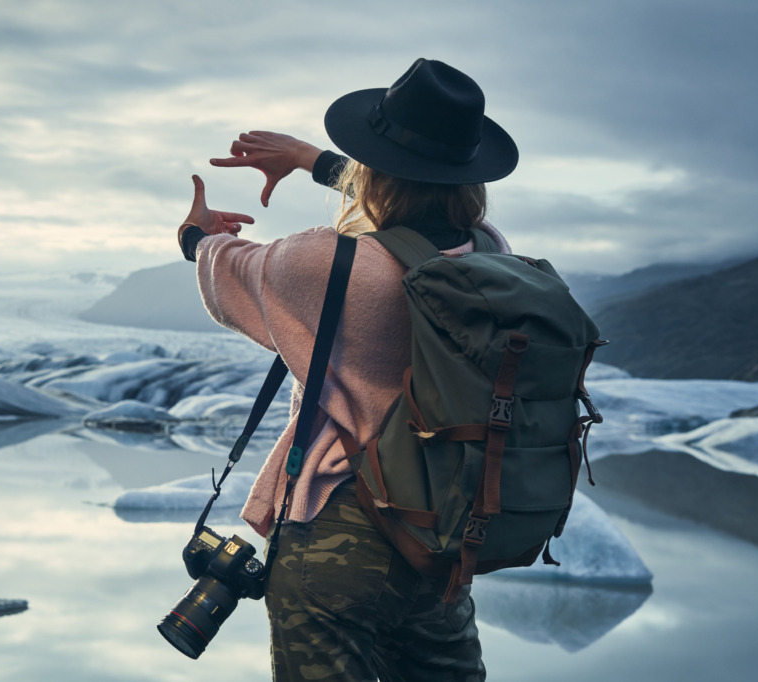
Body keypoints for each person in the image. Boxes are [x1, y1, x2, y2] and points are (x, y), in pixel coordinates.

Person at [175, 58, 519, 681]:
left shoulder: (326, 264)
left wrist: (196, 237)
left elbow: (227, 275)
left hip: (340, 528)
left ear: (375, 167)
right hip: (438, 539)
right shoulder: (491, 253)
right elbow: (418, 213)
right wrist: (312, 161)